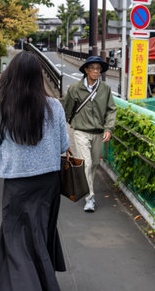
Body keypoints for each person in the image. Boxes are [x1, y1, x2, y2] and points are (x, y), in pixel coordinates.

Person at [0, 51, 69, 291]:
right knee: (40, 235)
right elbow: (64, 145)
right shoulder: (54, 106)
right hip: (48, 182)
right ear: (38, 77)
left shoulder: (4, 108)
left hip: (16, 183)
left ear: (12, 76)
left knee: (15, 239)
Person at [62, 56, 117, 213]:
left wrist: (108, 128)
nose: (95, 71)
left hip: (99, 132)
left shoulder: (105, 89)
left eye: (98, 69)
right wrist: (64, 131)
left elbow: (111, 109)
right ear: (85, 70)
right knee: (86, 163)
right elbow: (67, 110)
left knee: (93, 164)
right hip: (81, 131)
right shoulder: (75, 88)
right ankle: (90, 198)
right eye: (92, 68)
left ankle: (86, 187)